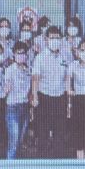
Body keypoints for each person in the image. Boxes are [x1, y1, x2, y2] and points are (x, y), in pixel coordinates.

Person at [30, 27, 72, 158]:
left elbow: (68, 79)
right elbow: (35, 78)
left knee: (60, 135)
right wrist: (35, 97)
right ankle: (42, 164)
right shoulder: (40, 57)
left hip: (60, 99)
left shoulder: (65, 57)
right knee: (42, 135)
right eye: (52, 38)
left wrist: (69, 102)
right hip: (44, 99)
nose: (55, 40)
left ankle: (58, 163)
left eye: (57, 38)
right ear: (46, 39)